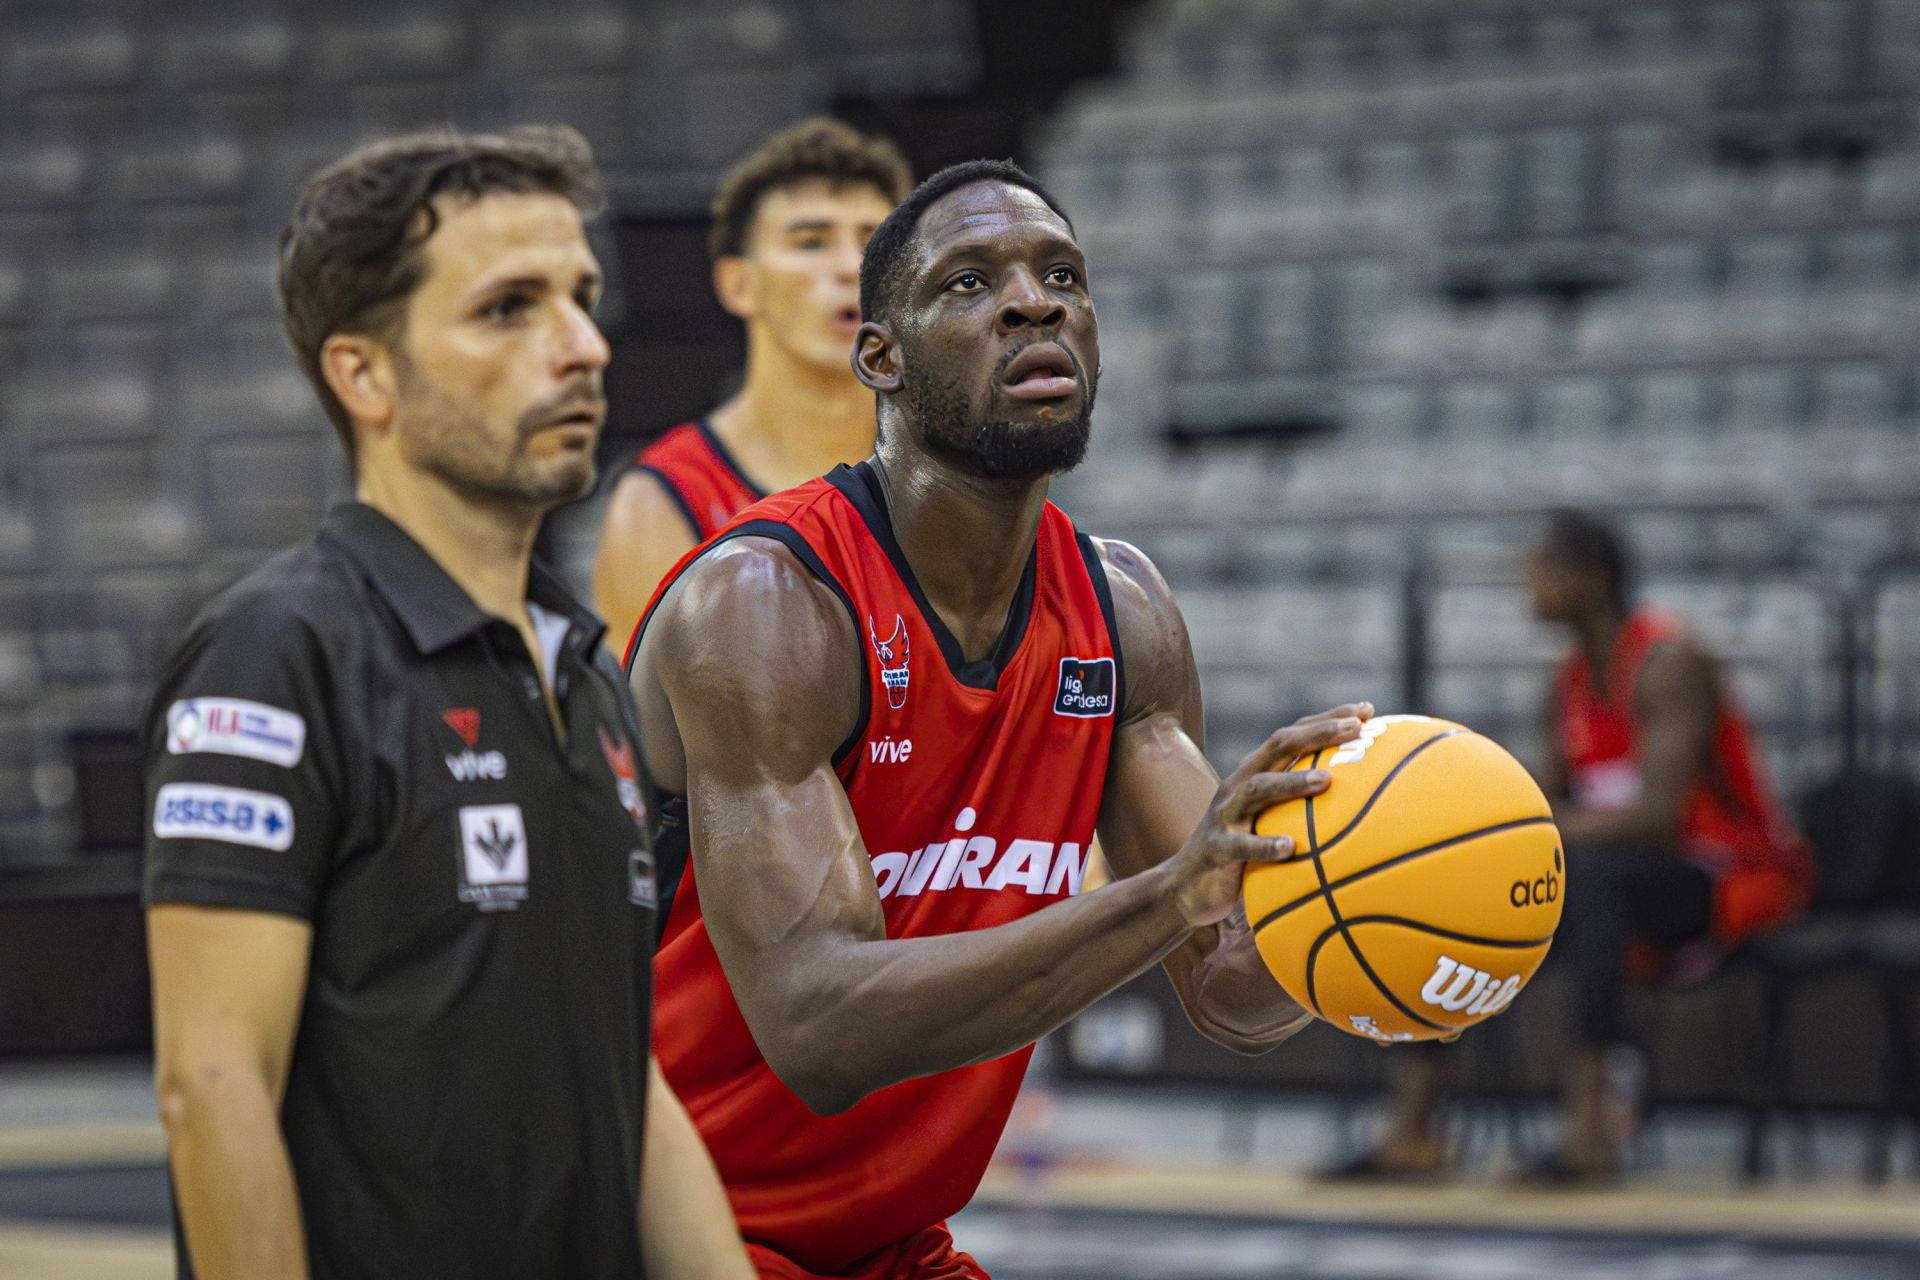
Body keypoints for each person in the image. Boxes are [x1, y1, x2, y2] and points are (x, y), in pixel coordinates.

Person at [628, 157, 1368, 1279]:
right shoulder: (771, 606)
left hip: (890, 1244)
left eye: (1061, 274)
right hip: (661, 1227)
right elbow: (820, 1025)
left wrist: (1355, 928)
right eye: (969, 284)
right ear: (880, 357)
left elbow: (1228, 982)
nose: (1033, 301)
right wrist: (1165, 895)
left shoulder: (1125, 615)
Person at [143, 127, 752, 1279]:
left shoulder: (589, 666)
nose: (580, 344)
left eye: (580, 296)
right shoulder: (275, 654)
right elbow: (212, 1087)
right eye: (509, 307)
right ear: (362, 374)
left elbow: (631, 1080)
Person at [1331, 508, 1813, 1182]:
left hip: (1722, 874)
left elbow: (1657, 818)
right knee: (1456, 901)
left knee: (1591, 880)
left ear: (1592, 580)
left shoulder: (1668, 661)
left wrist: (1522, 833)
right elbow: (1529, 801)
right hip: (1611, 878)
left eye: (1544, 570)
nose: (1529, 584)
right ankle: (1413, 1129)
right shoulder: (1568, 683)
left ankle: (1592, 1123)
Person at [593, 117, 913, 646]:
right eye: (811, 242)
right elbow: (650, 728)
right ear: (738, 283)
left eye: (874, 243)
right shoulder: (661, 504)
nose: (851, 267)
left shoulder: (954, 476)